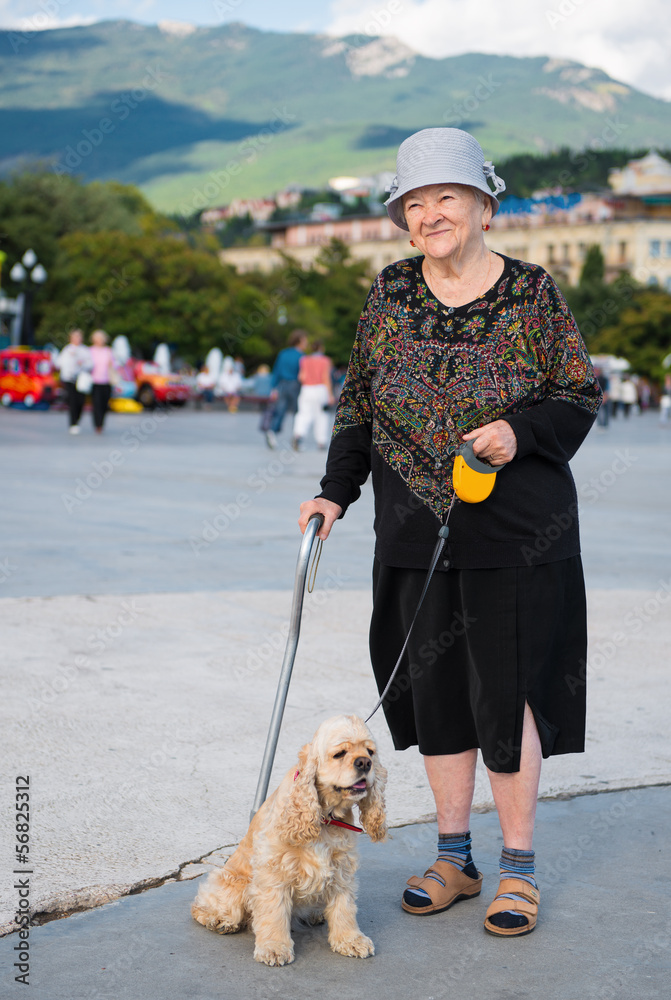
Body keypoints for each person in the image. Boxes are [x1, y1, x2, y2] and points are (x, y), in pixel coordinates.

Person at [298, 128, 602, 938]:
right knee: (432, 698)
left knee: (505, 699)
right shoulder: (390, 291)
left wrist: (519, 432)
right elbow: (358, 404)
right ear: (403, 218)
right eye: (416, 202)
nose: (430, 213)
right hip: (410, 531)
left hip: (515, 533)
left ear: (482, 208)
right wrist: (335, 493)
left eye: (447, 198)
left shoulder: (532, 294)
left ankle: (517, 869)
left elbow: (577, 393)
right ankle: (453, 857)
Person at [265, 330, 309, 448]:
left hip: (282, 385)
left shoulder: (283, 353)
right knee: (298, 412)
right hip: (296, 385)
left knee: (280, 410)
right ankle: (296, 437)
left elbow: (277, 371)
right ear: (299, 341)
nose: (306, 343)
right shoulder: (302, 357)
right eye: (305, 340)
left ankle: (272, 431)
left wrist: (273, 388)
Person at [292, 342, 335, 451]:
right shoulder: (325, 360)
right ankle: (321, 441)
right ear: (321, 348)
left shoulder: (304, 359)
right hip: (320, 389)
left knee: (303, 414)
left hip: (306, 389)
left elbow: (301, 376)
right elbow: (326, 377)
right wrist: (330, 395)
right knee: (321, 416)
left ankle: (298, 434)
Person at [55, 329, 91, 434]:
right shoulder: (67, 350)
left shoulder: (84, 350)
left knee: (80, 401)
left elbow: (90, 364)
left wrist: (82, 363)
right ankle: (72, 423)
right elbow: (59, 363)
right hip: (69, 379)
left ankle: (77, 420)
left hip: (80, 379)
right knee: (72, 400)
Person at [89, 329, 115, 434]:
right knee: (96, 403)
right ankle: (97, 424)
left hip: (106, 380)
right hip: (94, 380)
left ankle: (102, 422)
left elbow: (114, 365)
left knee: (104, 403)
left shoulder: (108, 351)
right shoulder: (90, 350)